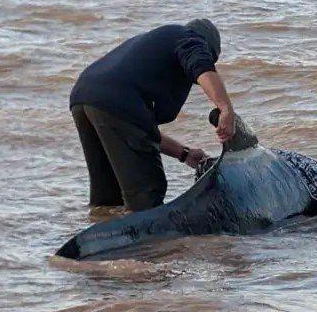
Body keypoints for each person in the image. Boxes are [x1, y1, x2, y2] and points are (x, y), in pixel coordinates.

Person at [69, 19, 236, 212]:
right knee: (147, 192)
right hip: (114, 100)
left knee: (108, 195)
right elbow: (201, 65)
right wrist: (225, 108)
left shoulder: (153, 50)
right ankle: (147, 241)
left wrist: (185, 154)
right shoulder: (190, 38)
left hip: (83, 97)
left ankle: (100, 231)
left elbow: (137, 130)